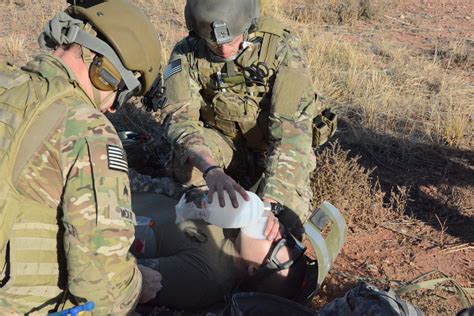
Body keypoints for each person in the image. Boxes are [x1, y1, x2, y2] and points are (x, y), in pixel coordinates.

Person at [0, 0, 162, 314]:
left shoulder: (7, 83)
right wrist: (138, 285)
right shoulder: (88, 130)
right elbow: (100, 286)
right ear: (108, 72)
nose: (115, 108)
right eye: (124, 92)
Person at [154, 0, 336, 238]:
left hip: (272, 153)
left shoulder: (280, 48)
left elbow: (291, 136)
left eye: (231, 40)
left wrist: (272, 203)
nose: (225, 50)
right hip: (225, 146)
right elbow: (179, 118)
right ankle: (208, 233)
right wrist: (211, 170)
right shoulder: (186, 52)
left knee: (282, 225)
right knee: (184, 164)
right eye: (214, 42)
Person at [137, 190, 308, 311]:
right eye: (285, 235)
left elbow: (126, 278)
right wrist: (264, 210)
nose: (275, 230)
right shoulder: (235, 228)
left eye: (276, 243)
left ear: (254, 270)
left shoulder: (205, 278)